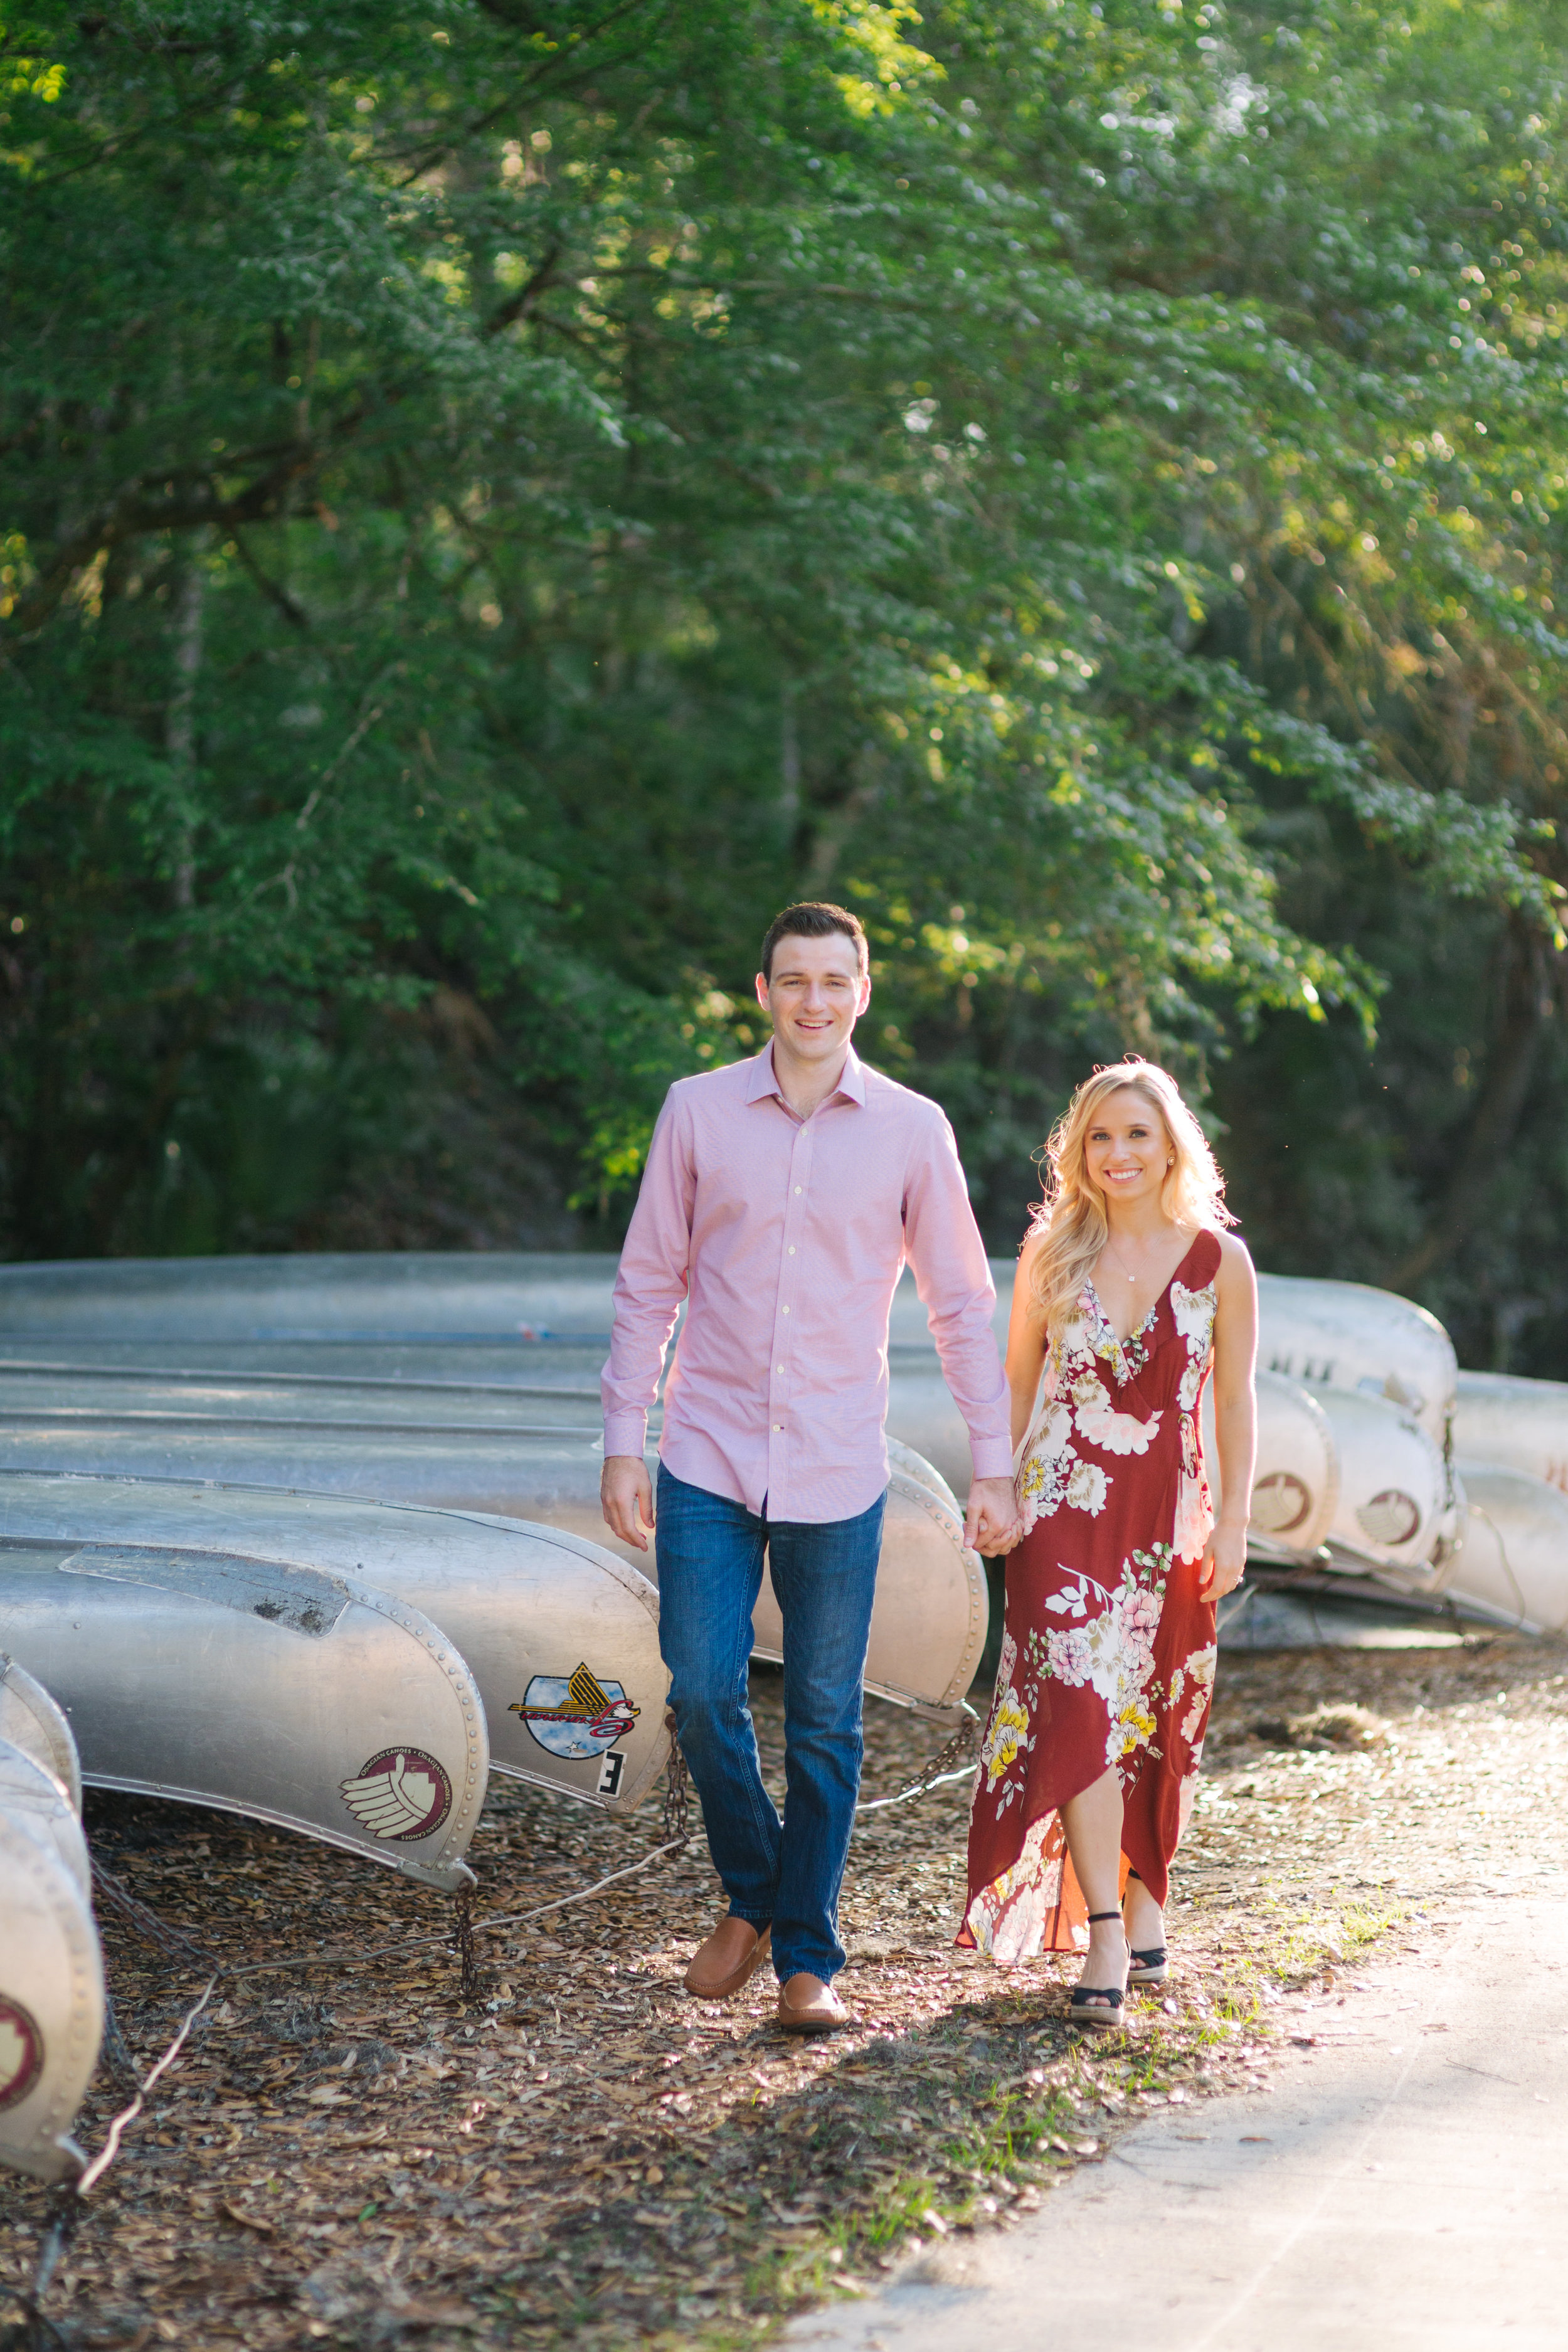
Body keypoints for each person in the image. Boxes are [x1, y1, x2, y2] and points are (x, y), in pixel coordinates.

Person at [601, 901, 1022, 2033]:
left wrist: (995, 1465)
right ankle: (757, 1889)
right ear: (763, 990)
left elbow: (961, 1306)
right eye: (795, 979)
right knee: (699, 1687)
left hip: (839, 1465)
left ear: (863, 991)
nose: (815, 1000)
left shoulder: (912, 1128)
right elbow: (649, 1282)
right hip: (708, 1451)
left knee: (828, 1717)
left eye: (835, 981)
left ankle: (805, 1956)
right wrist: (622, 1439)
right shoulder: (697, 1112)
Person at [959, 1059, 1256, 2027]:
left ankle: (1145, 1894)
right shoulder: (1053, 1250)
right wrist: (993, 1485)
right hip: (1062, 1507)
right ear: (1077, 1151)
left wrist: (1237, 1521)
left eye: (1137, 1134)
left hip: (1170, 1512)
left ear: (1172, 1143)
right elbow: (1014, 1381)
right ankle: (1103, 1927)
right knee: (1081, 1705)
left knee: (1155, 1714)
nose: (1118, 1153)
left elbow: (1234, 1400)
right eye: (1099, 1136)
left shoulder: (1219, 1261)